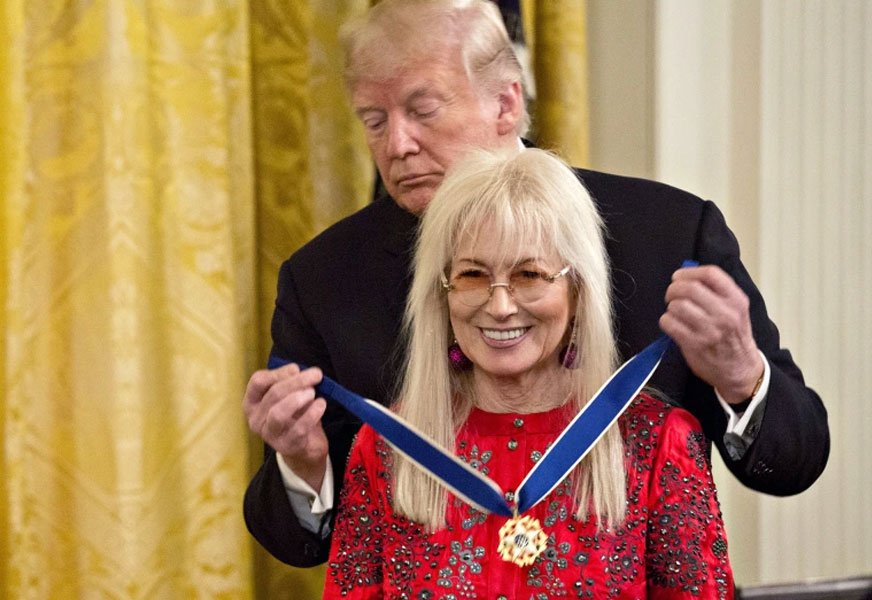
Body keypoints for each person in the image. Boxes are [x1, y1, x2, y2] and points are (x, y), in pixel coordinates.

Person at [242, 0, 829, 568]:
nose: (396, 145)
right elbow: (299, 544)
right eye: (374, 120)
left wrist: (741, 378)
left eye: (422, 110)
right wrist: (302, 466)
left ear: (506, 102)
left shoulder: (668, 237)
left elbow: (796, 460)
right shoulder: (324, 278)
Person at [322, 146, 734, 598]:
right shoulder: (387, 450)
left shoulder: (657, 443)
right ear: (442, 294)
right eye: (473, 275)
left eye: (530, 275)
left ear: (577, 291)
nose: (500, 306)